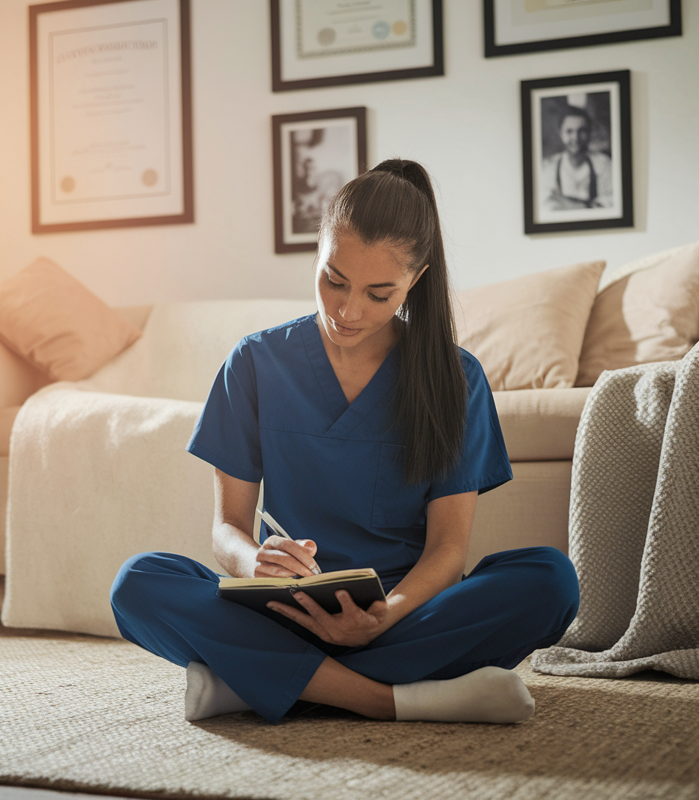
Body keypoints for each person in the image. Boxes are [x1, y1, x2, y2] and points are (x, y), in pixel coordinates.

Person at [110, 160, 579, 724]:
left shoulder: (457, 379)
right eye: (334, 279)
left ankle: (259, 680)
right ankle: (385, 699)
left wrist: (384, 617)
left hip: (397, 617)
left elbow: (448, 553)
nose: (348, 310)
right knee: (138, 581)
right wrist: (254, 561)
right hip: (280, 611)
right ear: (318, 252)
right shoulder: (255, 363)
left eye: (379, 294)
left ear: (416, 280)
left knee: (550, 579)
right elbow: (226, 530)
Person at [539, 105, 614, 211]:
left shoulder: (604, 164)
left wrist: (566, 203)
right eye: (569, 131)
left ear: (589, 132)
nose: (575, 138)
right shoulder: (549, 167)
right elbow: (546, 205)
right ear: (560, 133)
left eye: (582, 131)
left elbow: (610, 203)